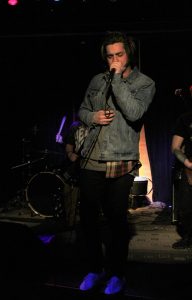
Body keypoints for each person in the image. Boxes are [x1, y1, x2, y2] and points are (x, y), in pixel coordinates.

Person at [77, 31, 156, 295]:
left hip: (120, 160)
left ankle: (116, 273)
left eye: (119, 54)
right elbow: (82, 109)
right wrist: (92, 117)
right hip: (91, 159)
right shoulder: (96, 80)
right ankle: (93, 269)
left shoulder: (144, 83)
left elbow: (134, 113)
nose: (115, 59)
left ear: (128, 54)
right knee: (87, 220)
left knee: (115, 222)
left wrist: (118, 79)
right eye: (110, 56)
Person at [171, 86, 192, 249]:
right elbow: (176, 147)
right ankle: (188, 236)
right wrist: (186, 162)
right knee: (186, 206)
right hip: (189, 167)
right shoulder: (185, 119)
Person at [62, 120, 88, 227]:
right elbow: (69, 145)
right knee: (68, 194)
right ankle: (69, 222)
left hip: (90, 168)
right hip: (75, 168)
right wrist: (70, 154)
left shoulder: (97, 126)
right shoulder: (75, 126)